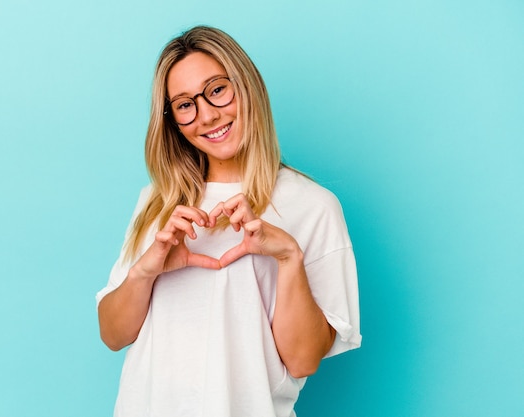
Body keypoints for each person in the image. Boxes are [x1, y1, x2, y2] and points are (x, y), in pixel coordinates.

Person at [96, 25, 361, 417]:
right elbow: (113, 335)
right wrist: (144, 272)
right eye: (185, 105)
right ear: (173, 121)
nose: (206, 115)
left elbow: (304, 361)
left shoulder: (313, 206)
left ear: (246, 85)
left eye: (217, 89)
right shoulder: (157, 202)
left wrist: (288, 258)